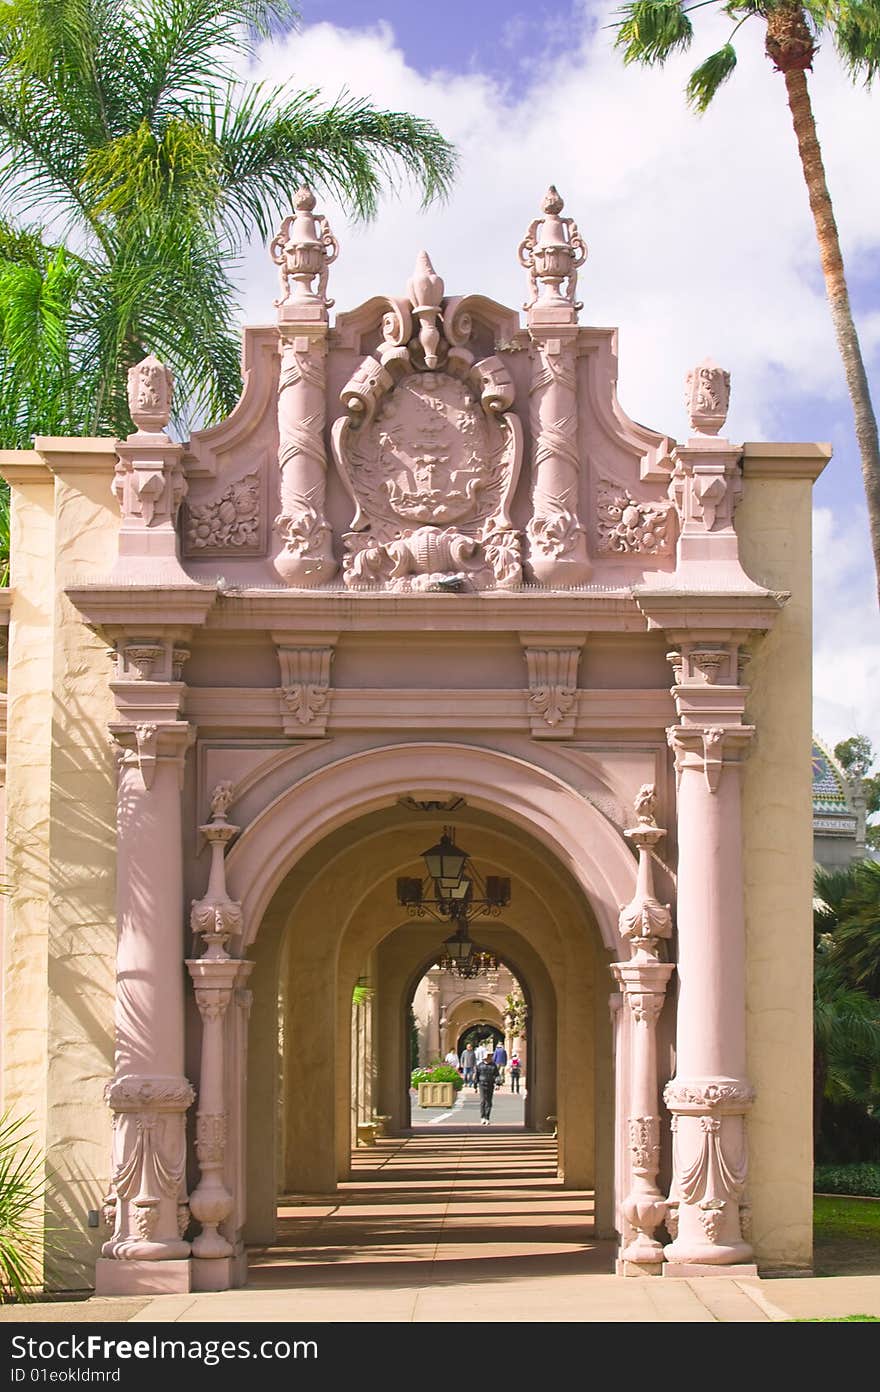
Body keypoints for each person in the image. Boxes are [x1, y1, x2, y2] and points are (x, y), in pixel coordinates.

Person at [475, 1054, 498, 1124]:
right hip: (482, 1084)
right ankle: (482, 1117)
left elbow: (497, 1075)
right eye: (488, 1057)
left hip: (490, 1084)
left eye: (490, 1057)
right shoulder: (480, 1065)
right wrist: (475, 1086)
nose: (489, 1058)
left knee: (489, 1101)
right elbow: (477, 1076)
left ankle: (487, 1117)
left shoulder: (493, 1065)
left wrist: (498, 1083)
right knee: (482, 1101)